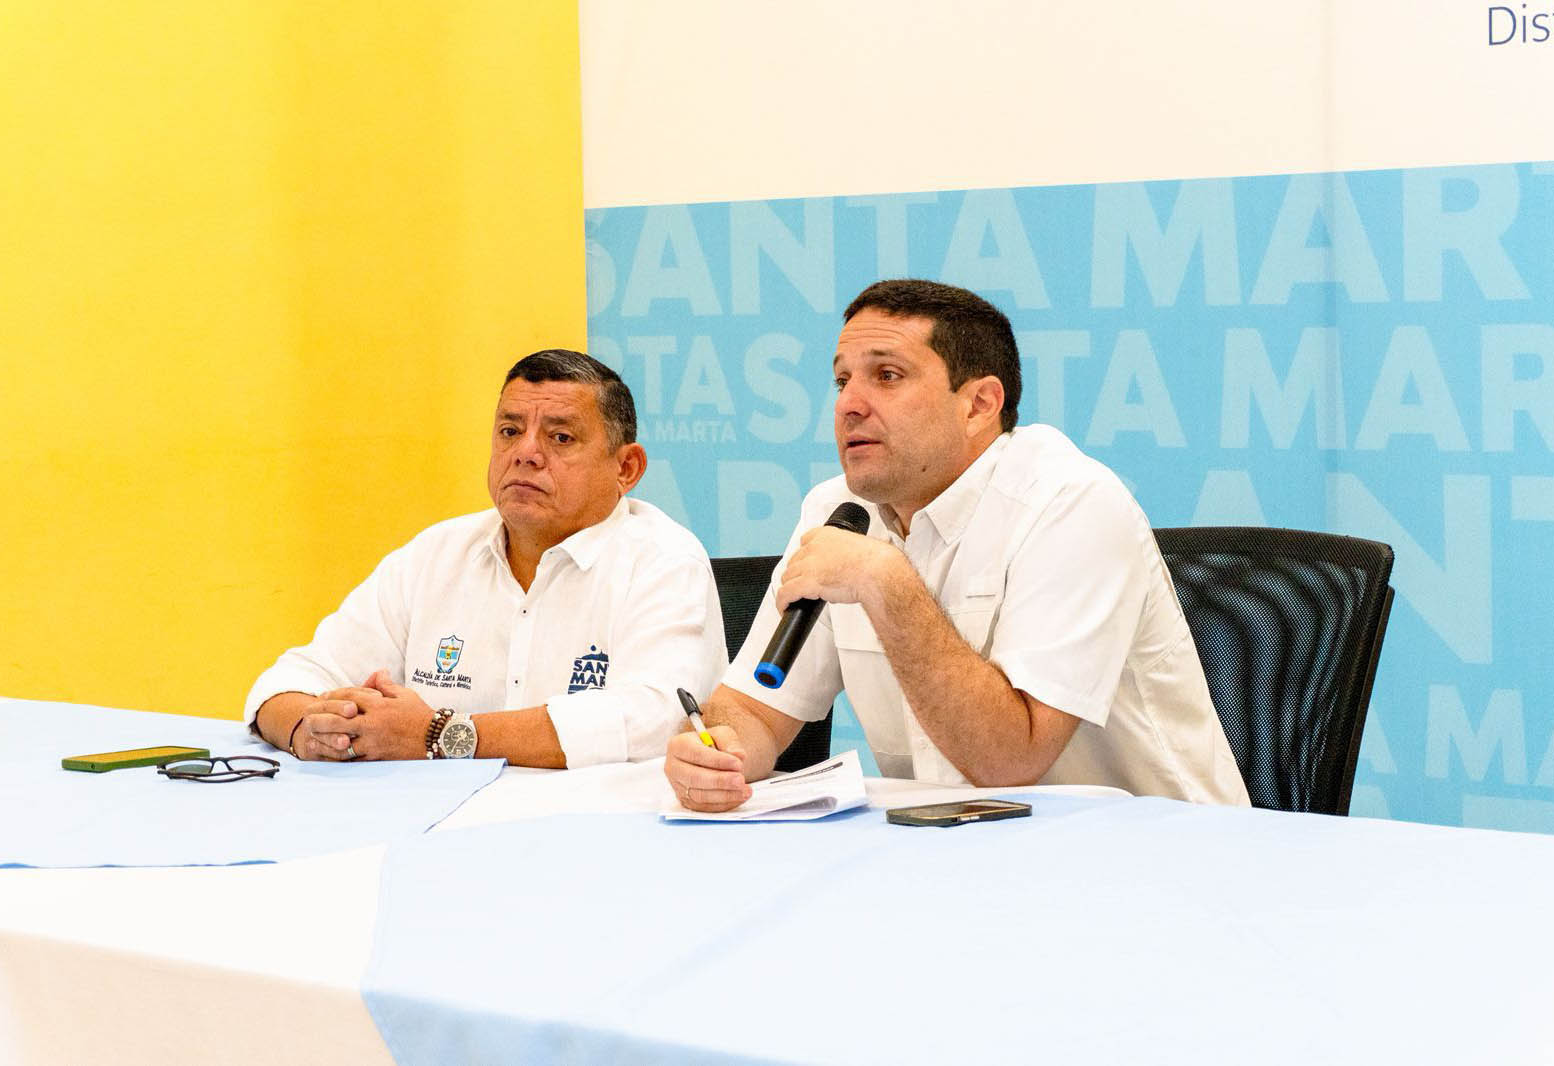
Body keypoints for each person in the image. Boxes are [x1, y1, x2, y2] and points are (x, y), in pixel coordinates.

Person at [664, 280, 1249, 810]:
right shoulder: (836, 512)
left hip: (1156, 854)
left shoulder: (1071, 502)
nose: (848, 404)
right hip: (964, 853)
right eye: (842, 381)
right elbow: (756, 710)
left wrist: (886, 582)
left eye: (886, 376)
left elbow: (1011, 761)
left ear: (979, 405)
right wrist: (720, 752)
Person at [247, 349, 726, 767]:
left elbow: (656, 720)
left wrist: (439, 734)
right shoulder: (436, 553)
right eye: (509, 431)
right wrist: (312, 729)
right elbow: (289, 681)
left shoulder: (664, 558)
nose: (526, 453)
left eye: (560, 438)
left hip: (596, 828)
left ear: (626, 468)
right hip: (432, 824)